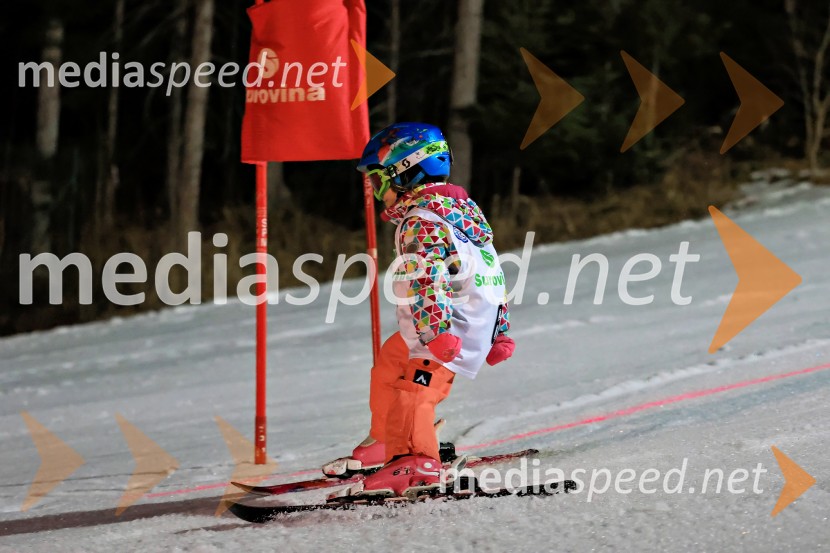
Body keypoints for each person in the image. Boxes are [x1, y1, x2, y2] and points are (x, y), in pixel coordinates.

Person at [323, 122, 515, 497]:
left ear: (406, 173)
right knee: (390, 362)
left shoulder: (421, 222)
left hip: (445, 328)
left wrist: (438, 333)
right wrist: (500, 329)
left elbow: (425, 283)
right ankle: (385, 439)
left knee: (416, 390)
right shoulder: (459, 211)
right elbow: (488, 269)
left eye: (380, 181)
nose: (378, 193)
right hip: (456, 323)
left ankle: (416, 461)